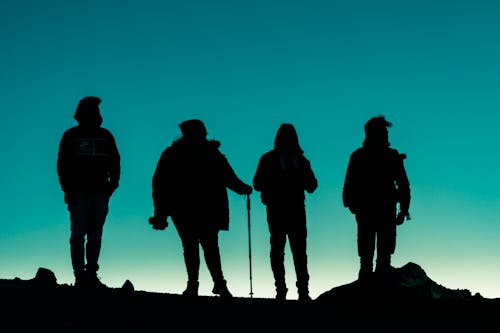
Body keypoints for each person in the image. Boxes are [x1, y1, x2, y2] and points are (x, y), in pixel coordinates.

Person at [150, 119, 253, 297]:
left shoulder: (185, 153)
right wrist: (160, 213)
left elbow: (229, 177)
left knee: (201, 245)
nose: (203, 135)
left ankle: (201, 285)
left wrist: (242, 188)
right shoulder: (204, 154)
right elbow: (160, 183)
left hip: (199, 207)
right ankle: (211, 284)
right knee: (203, 245)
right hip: (190, 207)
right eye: (200, 132)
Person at [57, 96, 120, 288]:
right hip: (79, 192)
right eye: (91, 110)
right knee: (78, 234)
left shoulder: (106, 135)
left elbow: (115, 161)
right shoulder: (70, 136)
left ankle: (91, 274)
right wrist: (67, 190)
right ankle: (80, 276)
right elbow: (62, 165)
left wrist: (112, 184)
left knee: (95, 234)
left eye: (96, 110)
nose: (95, 114)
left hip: (100, 191)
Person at [253, 123, 318, 301]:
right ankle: (298, 291)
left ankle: (285, 290)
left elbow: (257, 183)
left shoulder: (270, 158)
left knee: (282, 251)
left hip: (280, 211)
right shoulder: (300, 160)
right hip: (289, 210)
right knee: (296, 252)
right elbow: (312, 186)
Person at [342, 116, 411, 282]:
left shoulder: (361, 156)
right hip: (375, 211)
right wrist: (403, 209)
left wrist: (403, 209)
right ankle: (373, 298)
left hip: (378, 212)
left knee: (377, 258)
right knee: (372, 258)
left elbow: (403, 185)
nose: (387, 134)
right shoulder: (385, 156)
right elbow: (403, 185)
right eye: (384, 131)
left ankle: (372, 297)